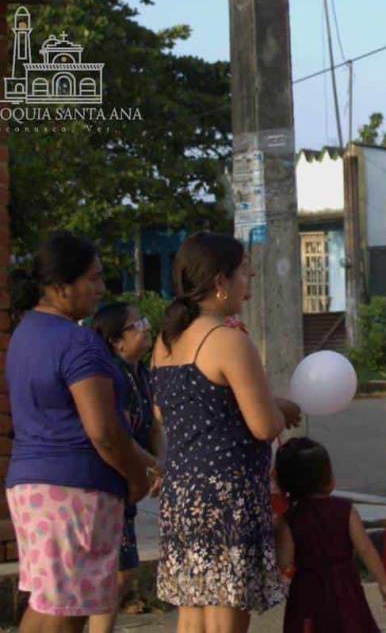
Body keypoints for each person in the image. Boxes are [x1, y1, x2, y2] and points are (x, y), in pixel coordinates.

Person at [152, 232, 302, 633]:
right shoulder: (228, 341)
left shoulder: (166, 341)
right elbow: (264, 425)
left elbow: (163, 411)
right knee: (225, 614)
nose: (248, 282)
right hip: (226, 495)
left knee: (193, 610)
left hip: (182, 492)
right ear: (220, 282)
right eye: (243, 273)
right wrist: (280, 408)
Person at [4, 233, 153, 632]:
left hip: (34, 488)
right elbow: (104, 431)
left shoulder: (26, 333)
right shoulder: (78, 343)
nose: (101, 289)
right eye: (93, 278)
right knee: (65, 612)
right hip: (75, 491)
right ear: (60, 286)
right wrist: (136, 477)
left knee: (51, 602)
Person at [89, 303, 164, 633]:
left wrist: (158, 466)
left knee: (122, 570)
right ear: (117, 341)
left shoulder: (142, 374)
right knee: (115, 571)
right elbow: (113, 436)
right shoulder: (112, 377)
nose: (146, 328)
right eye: (138, 325)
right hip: (109, 483)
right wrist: (148, 469)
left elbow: (154, 428)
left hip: (132, 482)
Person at [274, 437, 386, 632]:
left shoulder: (289, 520)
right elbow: (365, 548)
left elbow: (284, 561)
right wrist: (384, 582)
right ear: (327, 477)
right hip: (345, 587)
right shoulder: (344, 510)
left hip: (306, 591)